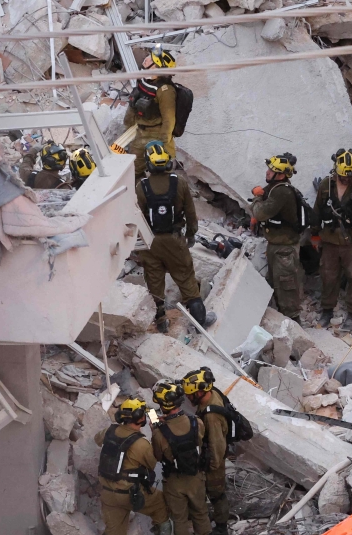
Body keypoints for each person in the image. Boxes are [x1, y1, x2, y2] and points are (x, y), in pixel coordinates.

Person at [135, 141, 214, 330]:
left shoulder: (141, 187)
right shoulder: (179, 182)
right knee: (186, 277)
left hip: (150, 241)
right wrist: (191, 234)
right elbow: (190, 213)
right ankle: (200, 320)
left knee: (154, 281)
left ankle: (161, 323)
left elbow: (136, 216)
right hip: (174, 239)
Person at [95, 397, 174, 535]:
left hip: (107, 493)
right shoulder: (140, 443)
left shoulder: (109, 431)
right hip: (131, 494)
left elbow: (97, 439)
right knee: (160, 502)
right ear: (141, 419)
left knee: (116, 530)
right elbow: (152, 462)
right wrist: (156, 431)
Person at [150, 381, 213, 535]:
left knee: (179, 519)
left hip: (175, 481)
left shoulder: (159, 432)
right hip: (196, 477)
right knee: (201, 512)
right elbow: (199, 443)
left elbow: (157, 456)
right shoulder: (196, 422)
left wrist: (156, 429)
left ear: (162, 405)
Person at [312, 149, 352, 332]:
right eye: (343, 176)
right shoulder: (326, 185)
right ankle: (327, 310)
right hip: (330, 239)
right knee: (328, 275)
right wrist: (315, 234)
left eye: (349, 176)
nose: (346, 179)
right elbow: (317, 210)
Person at [250, 153, 305, 323]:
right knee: (274, 282)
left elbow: (260, 212)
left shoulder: (282, 192)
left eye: (271, 170)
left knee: (286, 286)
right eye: (268, 169)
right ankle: (281, 321)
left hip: (284, 250)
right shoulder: (275, 188)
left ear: (281, 175)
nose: (267, 172)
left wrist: (257, 197)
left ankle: (293, 324)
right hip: (276, 246)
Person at [182, 366, 231, 535]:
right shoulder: (210, 394)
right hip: (211, 452)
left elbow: (217, 444)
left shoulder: (211, 416)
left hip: (214, 460)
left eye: (191, 395)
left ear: (201, 392)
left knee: (217, 494)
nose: (188, 398)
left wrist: (211, 467)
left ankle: (221, 526)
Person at [124, 44, 177, 176]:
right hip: (139, 132)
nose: (146, 59)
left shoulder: (165, 91)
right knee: (134, 170)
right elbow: (133, 105)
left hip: (156, 135)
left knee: (163, 171)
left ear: (157, 68)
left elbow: (169, 119)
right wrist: (127, 125)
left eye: (150, 59)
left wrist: (164, 143)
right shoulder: (144, 81)